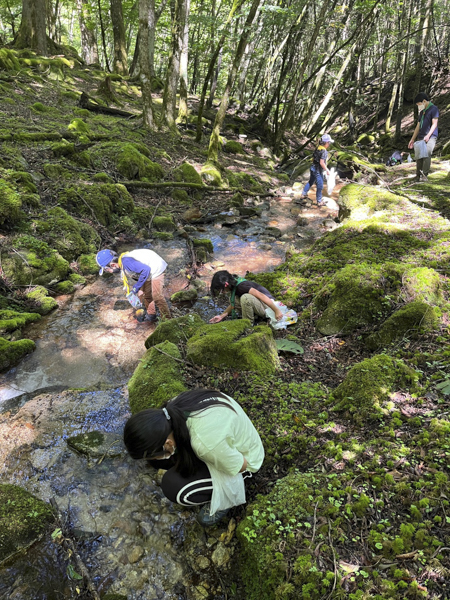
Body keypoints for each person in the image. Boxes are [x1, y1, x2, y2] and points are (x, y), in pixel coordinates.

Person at [123, 389, 265, 526]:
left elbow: (242, 466)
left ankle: (224, 502)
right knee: (162, 462)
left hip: (246, 461)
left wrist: (218, 467)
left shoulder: (205, 445)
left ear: (168, 443)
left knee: (173, 488)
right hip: (219, 443)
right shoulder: (171, 410)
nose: (153, 459)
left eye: (154, 456)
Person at [96, 248, 171, 323]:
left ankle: (167, 320)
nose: (108, 272)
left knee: (157, 297)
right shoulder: (122, 261)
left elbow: (146, 270)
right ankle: (151, 315)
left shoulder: (127, 262)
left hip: (156, 268)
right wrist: (139, 289)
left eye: (106, 270)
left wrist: (136, 288)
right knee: (144, 294)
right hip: (149, 269)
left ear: (113, 265)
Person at [209, 270, 283, 324]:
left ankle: (247, 323)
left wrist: (276, 311)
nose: (221, 292)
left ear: (226, 284)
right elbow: (233, 304)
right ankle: (254, 316)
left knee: (246, 298)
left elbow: (261, 295)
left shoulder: (241, 287)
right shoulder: (234, 284)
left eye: (221, 290)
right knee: (234, 299)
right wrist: (221, 316)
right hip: (262, 304)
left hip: (269, 306)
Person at [408, 92, 439, 181]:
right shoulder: (422, 112)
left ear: (424, 101)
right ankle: (418, 175)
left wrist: (428, 135)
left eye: (419, 104)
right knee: (419, 156)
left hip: (431, 136)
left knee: (426, 154)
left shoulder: (434, 109)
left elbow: (434, 124)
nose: (419, 106)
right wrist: (412, 139)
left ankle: (424, 175)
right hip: (421, 136)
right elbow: (418, 126)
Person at [298, 133, 334, 206]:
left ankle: (303, 194)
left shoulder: (318, 148)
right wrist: (327, 170)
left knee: (311, 181)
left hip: (313, 168)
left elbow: (314, 158)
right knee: (320, 185)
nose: (329, 144)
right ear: (326, 143)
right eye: (329, 142)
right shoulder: (324, 152)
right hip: (317, 170)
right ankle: (319, 201)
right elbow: (322, 163)